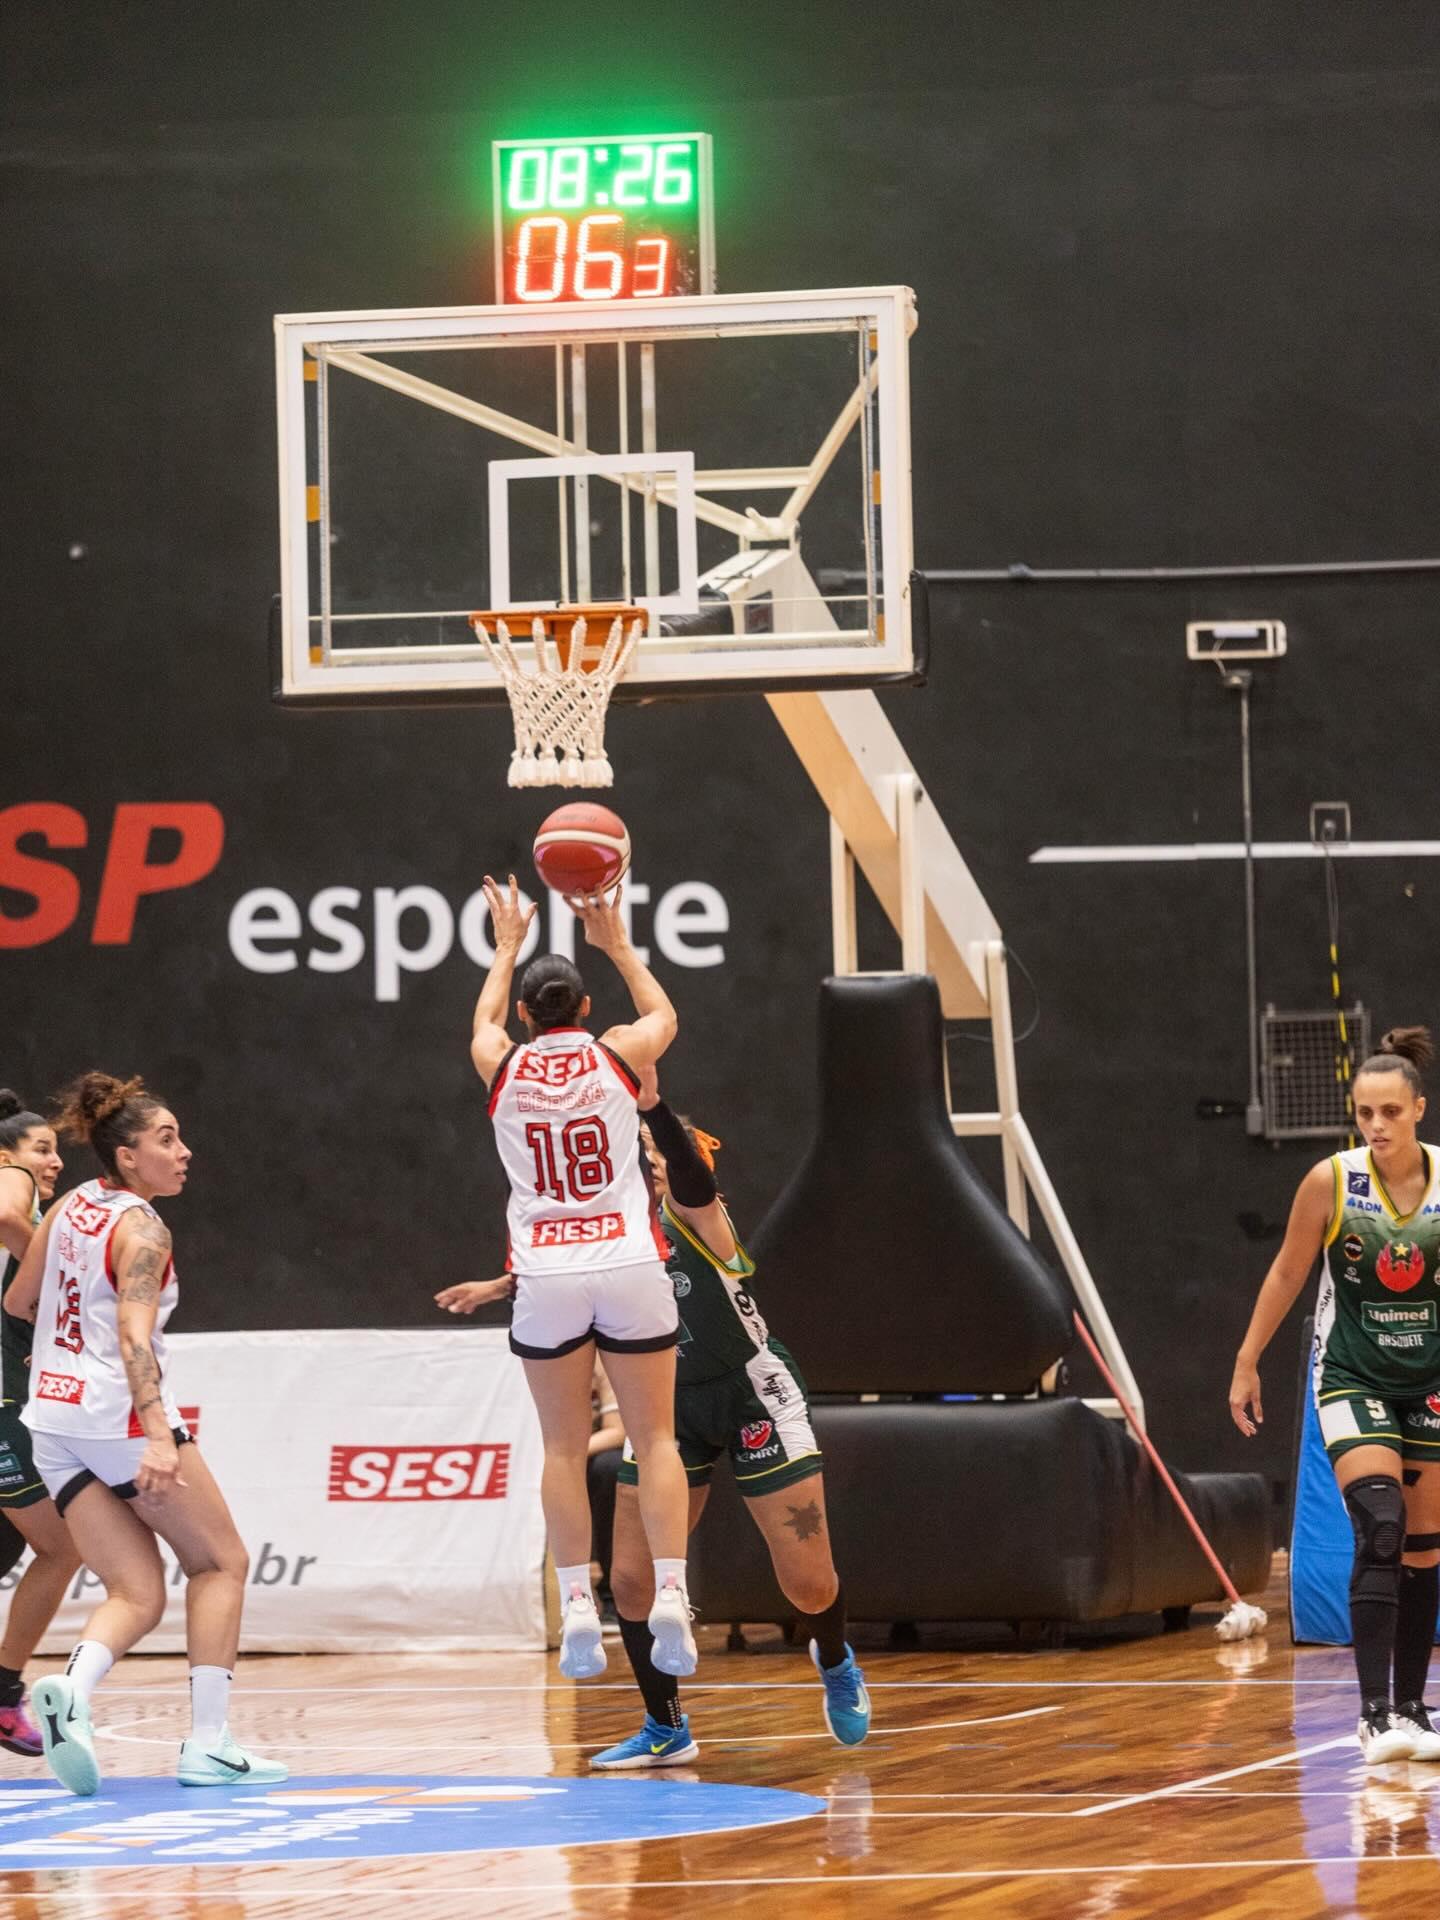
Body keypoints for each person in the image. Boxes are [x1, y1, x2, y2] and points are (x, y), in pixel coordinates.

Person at [4, 1073, 286, 1796]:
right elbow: (133, 1332)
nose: (184, 1151)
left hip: (52, 1419)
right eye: (167, 1139)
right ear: (127, 1156)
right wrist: (158, 1436)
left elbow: (19, 1299)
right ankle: (210, 1745)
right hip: (116, 1416)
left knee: (136, 1588)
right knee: (220, 1563)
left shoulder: (67, 1205)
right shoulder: (144, 1228)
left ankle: (72, 1691)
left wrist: (58, 1348)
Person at [590, 1063, 870, 1770]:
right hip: (667, 1405)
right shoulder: (607, 1234)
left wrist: (655, 1108)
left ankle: (833, 1657)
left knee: (807, 1580)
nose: (639, 1167)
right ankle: (665, 1725)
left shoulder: (696, 1216)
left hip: (749, 1389)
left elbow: (690, 1176)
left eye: (649, 1156)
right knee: (629, 1580)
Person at [469, 874, 694, 1682]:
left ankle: (576, 1605)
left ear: (530, 1016)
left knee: (563, 1449)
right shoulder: (617, 1054)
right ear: (587, 1010)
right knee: (656, 1437)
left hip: (548, 1273)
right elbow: (666, 1017)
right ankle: (670, 1591)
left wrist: (505, 947)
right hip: (629, 1261)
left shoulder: (502, 1063)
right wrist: (617, 942)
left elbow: (482, 1021)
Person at [1230, 1026, 1440, 1765]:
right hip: (1356, 1377)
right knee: (1379, 1526)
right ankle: (1374, 1713)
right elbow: (1288, 1273)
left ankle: (1416, 1708)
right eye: (1364, 1114)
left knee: (1421, 1549)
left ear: (1418, 1108)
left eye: (1390, 1112)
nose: (1376, 1127)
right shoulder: (1331, 1182)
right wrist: (1247, 1359)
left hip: (1431, 1385)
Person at [0, 1093, 82, 1754]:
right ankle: (2, 1697)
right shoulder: (13, 1184)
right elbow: (7, 1209)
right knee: (62, 1546)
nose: (53, 1162)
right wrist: (62, 1278)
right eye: (42, 1148)